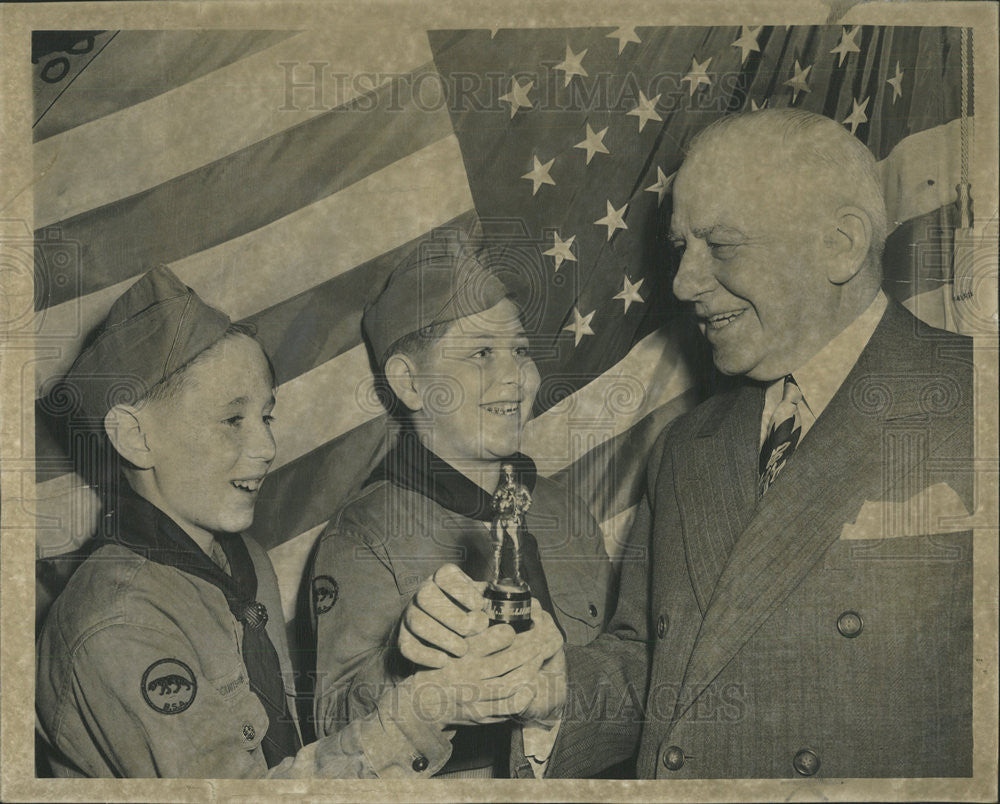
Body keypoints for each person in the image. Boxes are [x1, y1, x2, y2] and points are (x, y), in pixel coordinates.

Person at [404, 109, 976, 779]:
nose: (682, 283)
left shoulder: (975, 399)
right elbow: (651, 663)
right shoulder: (687, 449)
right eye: (682, 247)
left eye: (721, 245)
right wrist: (547, 686)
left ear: (841, 245)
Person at [35, 265, 558, 779]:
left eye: (266, 416)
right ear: (133, 436)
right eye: (232, 420)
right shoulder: (118, 623)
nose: (266, 447)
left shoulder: (242, 563)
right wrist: (419, 709)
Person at [308, 232, 615, 778]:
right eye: (480, 353)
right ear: (409, 383)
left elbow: (616, 672)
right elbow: (335, 731)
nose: (515, 377)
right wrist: (417, 672)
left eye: (520, 350)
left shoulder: (564, 511)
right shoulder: (364, 537)